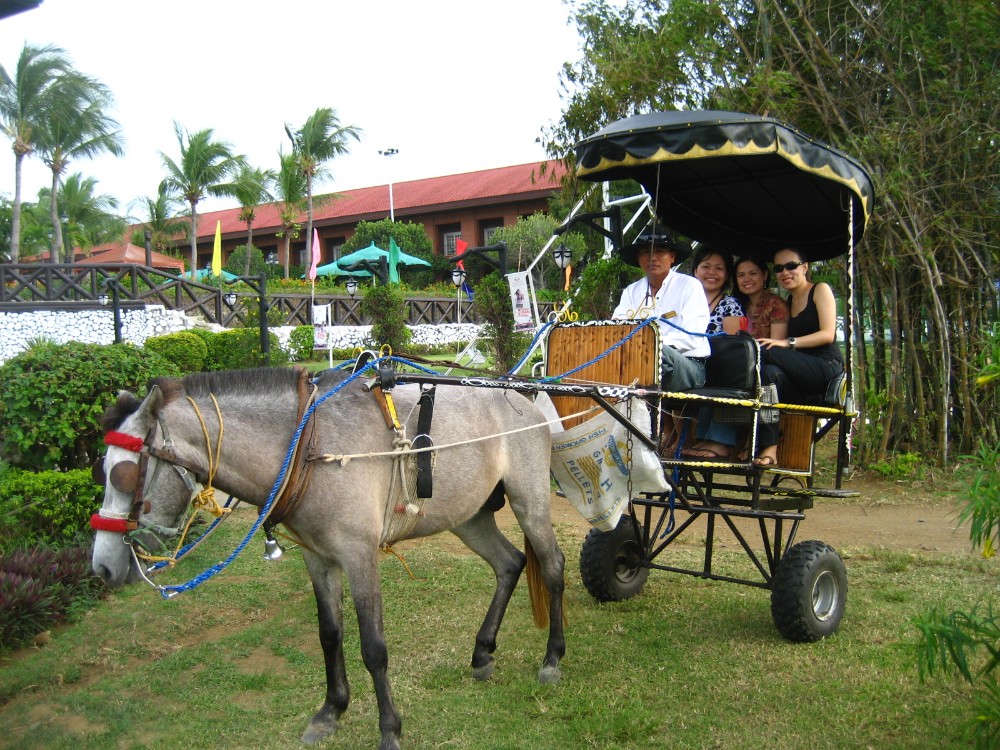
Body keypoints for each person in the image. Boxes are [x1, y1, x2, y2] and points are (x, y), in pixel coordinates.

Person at [753, 248, 844, 466]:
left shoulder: (819, 290)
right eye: (779, 268)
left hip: (825, 368)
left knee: (765, 350)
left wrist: (787, 343)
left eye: (791, 266)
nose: (785, 272)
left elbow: (827, 334)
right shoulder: (786, 302)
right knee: (769, 374)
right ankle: (769, 448)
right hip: (799, 379)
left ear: (805, 267)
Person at [612, 222, 710, 391]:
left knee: (659, 357)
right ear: (638, 258)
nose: (652, 257)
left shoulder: (690, 286)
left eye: (660, 251)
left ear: (672, 256)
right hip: (638, 361)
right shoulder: (631, 291)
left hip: (688, 365)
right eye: (645, 252)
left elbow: (693, 338)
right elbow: (617, 329)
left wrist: (650, 343)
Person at [692, 245, 744, 335]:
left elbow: (732, 346)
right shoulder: (683, 299)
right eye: (706, 267)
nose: (711, 272)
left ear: (726, 275)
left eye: (719, 268)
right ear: (695, 271)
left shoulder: (730, 306)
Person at [733, 255, 788, 339]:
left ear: (764, 275)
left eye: (753, 273)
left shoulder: (776, 305)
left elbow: (777, 347)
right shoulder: (735, 305)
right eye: (741, 275)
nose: (746, 279)